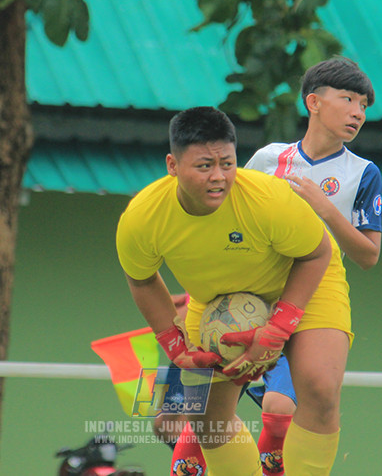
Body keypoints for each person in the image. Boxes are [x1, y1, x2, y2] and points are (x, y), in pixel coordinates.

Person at [117, 106, 352, 476]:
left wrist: (277, 330)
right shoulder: (142, 218)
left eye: (227, 163)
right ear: (172, 165)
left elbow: (318, 252)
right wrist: (175, 348)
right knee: (205, 417)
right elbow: (142, 279)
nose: (219, 177)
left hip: (305, 277)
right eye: (204, 166)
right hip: (216, 301)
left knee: (320, 389)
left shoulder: (268, 199)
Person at [243, 55, 382, 474]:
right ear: (314, 103)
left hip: (318, 288)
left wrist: (325, 208)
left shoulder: (363, 173)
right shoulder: (268, 159)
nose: (358, 112)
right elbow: (234, 221)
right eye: (348, 99)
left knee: (301, 399)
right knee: (191, 414)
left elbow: (368, 255)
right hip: (255, 287)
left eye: (363, 105)